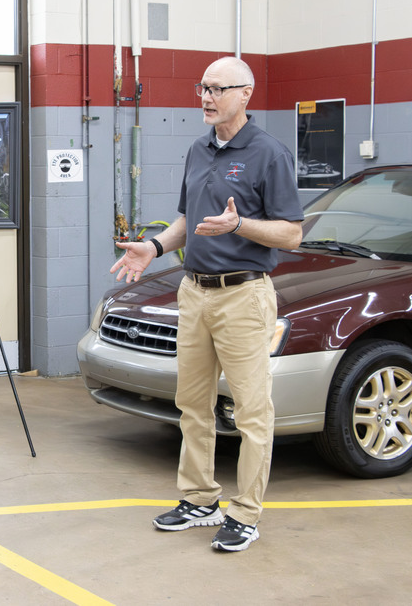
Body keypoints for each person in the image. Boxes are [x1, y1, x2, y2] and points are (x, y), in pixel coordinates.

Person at [111, 56, 304, 552]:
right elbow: (187, 219)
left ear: (246, 94)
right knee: (191, 405)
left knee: (250, 412)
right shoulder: (199, 149)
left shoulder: (269, 153)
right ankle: (199, 498)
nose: (206, 97)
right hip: (194, 293)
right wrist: (153, 249)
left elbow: (291, 234)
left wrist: (239, 225)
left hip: (243, 296)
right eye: (203, 88)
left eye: (218, 89)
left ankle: (246, 513)